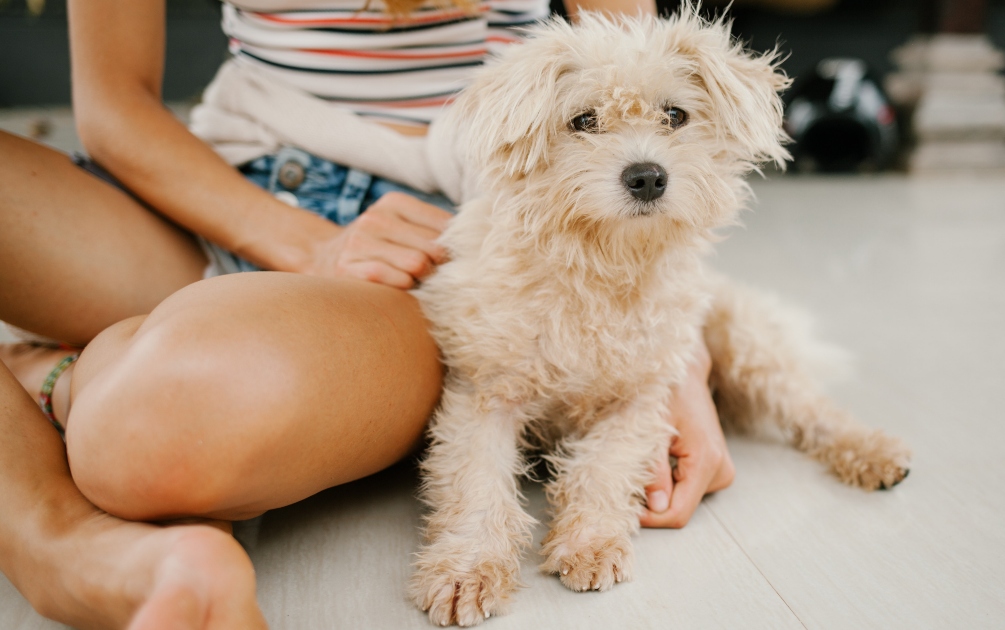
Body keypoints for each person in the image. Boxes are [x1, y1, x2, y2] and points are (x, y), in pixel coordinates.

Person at [0, 0, 735, 626]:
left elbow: (634, 93)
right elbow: (114, 102)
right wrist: (308, 244)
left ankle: (63, 390)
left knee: (148, 433)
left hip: (436, 247)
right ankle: (53, 532)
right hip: (216, 191)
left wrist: (669, 357)